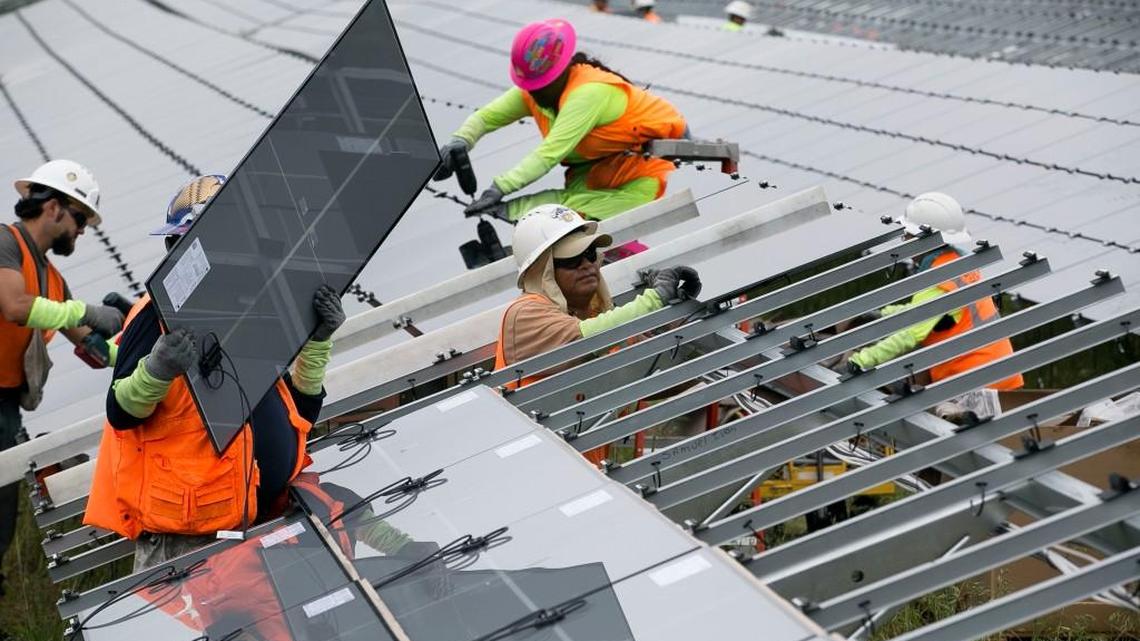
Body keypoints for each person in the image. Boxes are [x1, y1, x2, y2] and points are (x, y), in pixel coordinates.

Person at [83, 175, 346, 571]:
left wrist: (317, 342)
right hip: (189, 546)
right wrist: (157, 370)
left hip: (256, 521)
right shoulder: (156, 316)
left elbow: (299, 413)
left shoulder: (245, 313)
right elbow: (120, 411)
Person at [0, 160, 124, 597]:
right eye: (80, 219)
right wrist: (86, 311)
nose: (82, 231)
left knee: (1, 522)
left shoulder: (54, 280)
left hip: (5, 408)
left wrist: (141, 355)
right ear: (53, 208)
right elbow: (15, 306)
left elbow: (92, 345)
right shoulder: (4, 242)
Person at [496, 205, 699, 462]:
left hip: (576, 472)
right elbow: (587, 339)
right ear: (543, 270)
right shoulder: (525, 313)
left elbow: (642, 380)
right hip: (531, 468)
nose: (587, 265)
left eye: (591, 254)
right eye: (572, 259)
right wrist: (654, 300)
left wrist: (680, 319)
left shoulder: (587, 316)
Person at [436, 19, 687, 222]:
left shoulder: (588, 93)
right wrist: (461, 140)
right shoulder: (534, 91)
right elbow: (486, 117)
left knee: (563, 213)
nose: (532, 92)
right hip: (601, 166)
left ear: (560, 72)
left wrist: (498, 191)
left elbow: (548, 154)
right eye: (528, 86)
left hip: (647, 168)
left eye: (539, 86)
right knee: (563, 216)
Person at [837, 192, 1024, 397]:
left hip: (976, 384)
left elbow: (910, 334)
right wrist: (885, 314)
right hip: (998, 373)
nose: (904, 240)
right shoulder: (956, 265)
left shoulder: (939, 283)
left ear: (924, 239)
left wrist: (859, 361)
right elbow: (924, 312)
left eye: (907, 235)